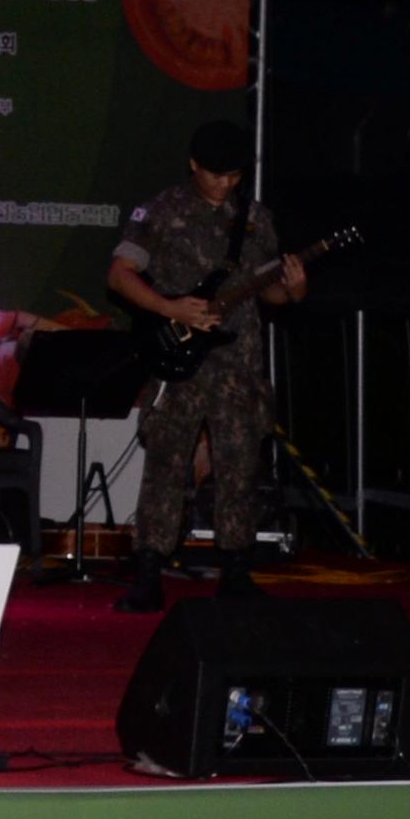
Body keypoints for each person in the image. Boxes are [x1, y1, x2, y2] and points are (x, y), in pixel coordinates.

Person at [105, 119, 307, 613]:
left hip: (238, 363)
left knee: (239, 464)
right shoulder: (162, 210)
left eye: (234, 175)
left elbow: (272, 290)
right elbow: (119, 276)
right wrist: (169, 308)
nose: (224, 183)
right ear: (194, 165)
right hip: (178, 357)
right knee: (167, 463)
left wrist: (295, 288)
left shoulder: (256, 218)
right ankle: (149, 569)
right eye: (215, 174)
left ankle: (236, 567)